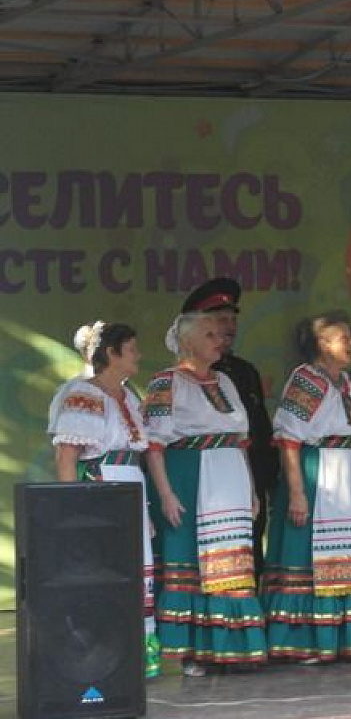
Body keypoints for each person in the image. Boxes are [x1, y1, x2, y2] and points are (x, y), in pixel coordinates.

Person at [48, 321, 176, 679]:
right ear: (111, 353)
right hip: (102, 486)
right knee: (109, 570)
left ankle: (140, 654)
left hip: (130, 485)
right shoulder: (83, 394)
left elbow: (146, 450)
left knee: (138, 568)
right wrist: (74, 511)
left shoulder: (129, 396)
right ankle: (107, 654)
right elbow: (67, 456)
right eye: (131, 349)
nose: (138, 355)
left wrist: (159, 495)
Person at [261, 312, 351, 663]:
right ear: (321, 344)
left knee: (348, 557)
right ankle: (307, 641)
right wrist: (298, 493)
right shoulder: (306, 380)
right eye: (343, 337)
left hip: (347, 476)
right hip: (318, 475)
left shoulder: (345, 382)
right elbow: (289, 438)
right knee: (309, 557)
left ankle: (348, 638)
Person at [144, 312, 266, 677]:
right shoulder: (165, 382)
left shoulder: (226, 382)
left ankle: (229, 645)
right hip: (189, 477)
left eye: (219, 333)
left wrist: (251, 488)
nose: (219, 339)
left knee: (230, 562)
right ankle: (192, 649)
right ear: (186, 342)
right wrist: (165, 493)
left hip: (229, 478)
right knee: (192, 563)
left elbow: (241, 440)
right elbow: (153, 444)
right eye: (209, 334)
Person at [183, 278, 279, 579]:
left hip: (249, 472)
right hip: (209, 477)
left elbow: (259, 427)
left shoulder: (243, 371)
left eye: (232, 319)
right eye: (220, 321)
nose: (229, 327)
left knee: (250, 549)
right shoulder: (183, 378)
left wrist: (266, 474)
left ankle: (247, 615)